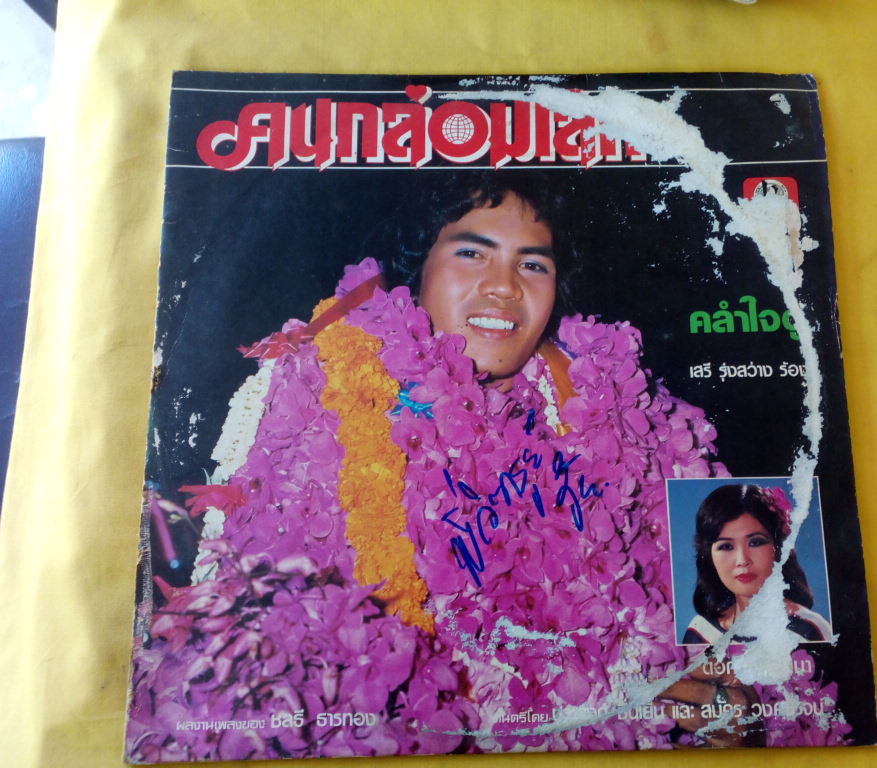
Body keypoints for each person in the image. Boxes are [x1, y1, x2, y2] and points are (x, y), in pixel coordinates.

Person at [127, 172, 750, 761]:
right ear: (416, 268)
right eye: (472, 253)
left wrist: (727, 707)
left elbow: (727, 631)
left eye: (533, 263)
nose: (505, 285)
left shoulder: (618, 405)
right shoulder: (321, 390)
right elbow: (267, 663)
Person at [682, 484, 833, 645]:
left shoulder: (810, 631)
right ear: (709, 555)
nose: (742, 560)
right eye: (726, 546)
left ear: (778, 548)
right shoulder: (701, 632)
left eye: (755, 542)